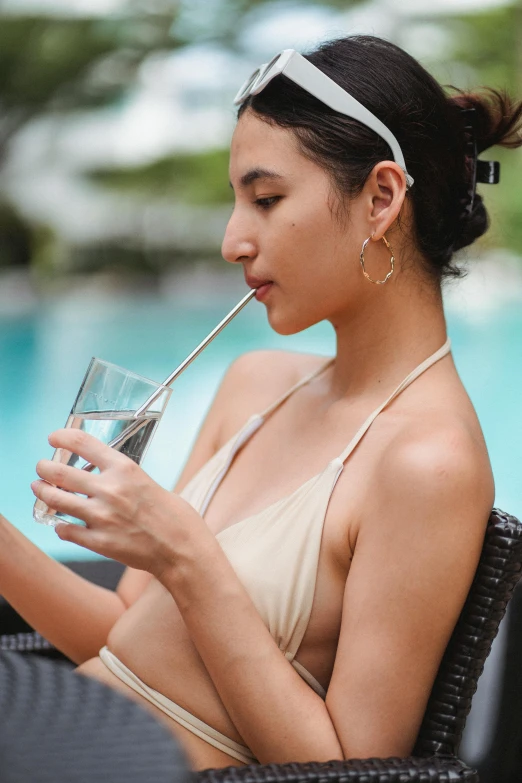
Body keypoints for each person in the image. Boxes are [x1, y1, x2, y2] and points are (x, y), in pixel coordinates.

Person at [2, 34, 522, 771]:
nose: (232, 240)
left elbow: (354, 769)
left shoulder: (426, 463)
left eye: (267, 198)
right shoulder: (255, 382)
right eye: (236, 201)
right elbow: (119, 640)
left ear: (380, 198)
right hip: (61, 737)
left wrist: (186, 556)